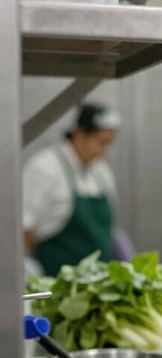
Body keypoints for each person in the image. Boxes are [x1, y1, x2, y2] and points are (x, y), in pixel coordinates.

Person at [22, 102, 124, 276]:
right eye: (101, 142)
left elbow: (108, 229)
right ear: (80, 134)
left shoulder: (102, 171)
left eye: (109, 144)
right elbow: (24, 229)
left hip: (101, 282)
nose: (104, 151)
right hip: (56, 282)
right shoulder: (45, 168)